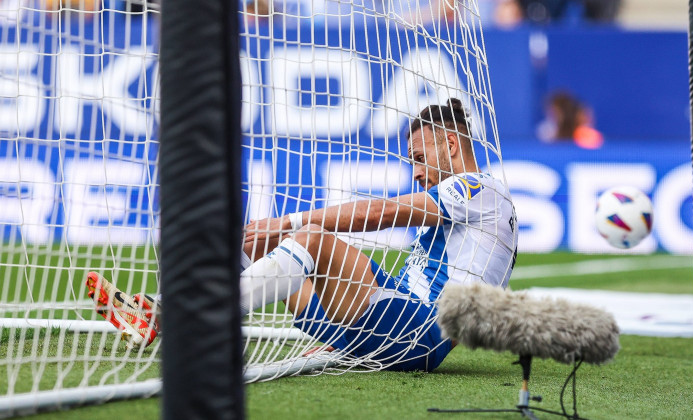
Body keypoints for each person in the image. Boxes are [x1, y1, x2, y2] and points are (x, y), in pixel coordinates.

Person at [87, 98, 519, 372]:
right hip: (383, 324)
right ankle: (170, 303)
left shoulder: (482, 189)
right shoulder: (473, 208)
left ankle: (189, 322)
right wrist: (277, 232)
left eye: (420, 157)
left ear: (449, 144)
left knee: (309, 236)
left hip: (417, 332)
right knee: (261, 240)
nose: (416, 171)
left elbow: (384, 211)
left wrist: (290, 222)